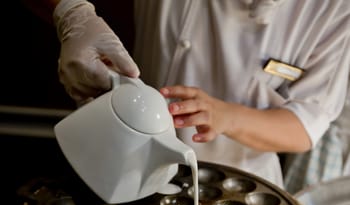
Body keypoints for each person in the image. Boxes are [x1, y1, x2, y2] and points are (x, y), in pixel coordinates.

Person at [23, 0, 350, 189]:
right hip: (124, 151)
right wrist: (72, 13)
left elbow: (305, 125)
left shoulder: (336, 11)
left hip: (239, 185)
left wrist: (227, 116)